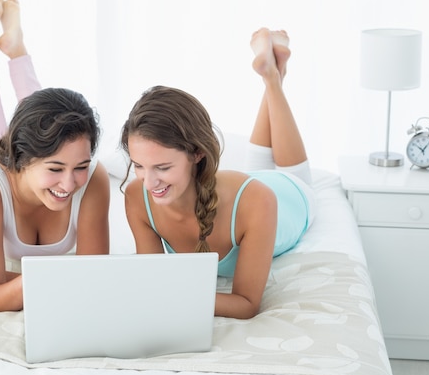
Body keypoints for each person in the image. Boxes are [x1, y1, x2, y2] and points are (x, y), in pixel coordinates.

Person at [120, 28, 315, 320]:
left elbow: (246, 304)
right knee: (256, 164)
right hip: (238, 191)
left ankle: (273, 79)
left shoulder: (259, 201)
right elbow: (154, 280)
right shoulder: (138, 196)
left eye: (163, 167)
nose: (149, 182)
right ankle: (271, 72)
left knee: (288, 174)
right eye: (139, 165)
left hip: (286, 196)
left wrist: (172, 298)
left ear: (197, 153)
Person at [0, 0, 110, 312]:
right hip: (6, 172)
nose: (70, 184)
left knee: (51, 122)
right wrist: (17, 280)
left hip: (30, 160)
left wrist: (6, 278)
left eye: (80, 166)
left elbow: (94, 281)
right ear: (20, 158)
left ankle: (16, 49)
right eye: (55, 169)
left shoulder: (93, 177)